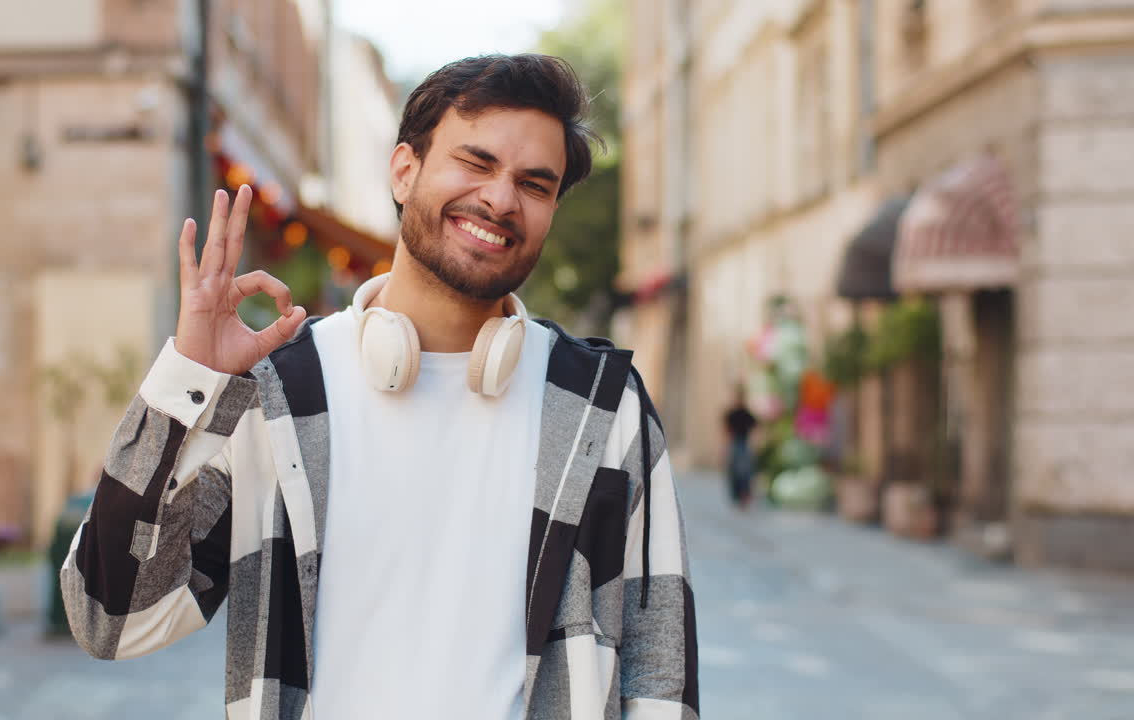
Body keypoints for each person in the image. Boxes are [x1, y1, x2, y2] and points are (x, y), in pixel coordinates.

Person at [60, 54, 697, 720]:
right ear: (404, 169)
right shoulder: (277, 391)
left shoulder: (602, 402)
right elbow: (112, 617)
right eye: (476, 163)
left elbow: (660, 676)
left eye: (535, 185)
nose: (502, 199)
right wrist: (191, 384)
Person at [722, 386, 758, 509]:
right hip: (736, 444)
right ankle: (739, 495)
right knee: (736, 471)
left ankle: (744, 495)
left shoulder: (745, 413)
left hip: (743, 443)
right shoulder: (733, 413)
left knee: (744, 472)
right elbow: (726, 430)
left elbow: (755, 427)